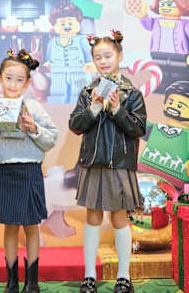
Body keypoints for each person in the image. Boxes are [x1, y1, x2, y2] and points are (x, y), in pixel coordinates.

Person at [68, 31, 147, 293]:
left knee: (119, 217)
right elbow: (75, 125)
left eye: (108, 56)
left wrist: (116, 110)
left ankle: (124, 277)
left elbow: (138, 129)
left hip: (120, 164)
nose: (103, 61)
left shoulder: (132, 94)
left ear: (119, 56)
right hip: (93, 162)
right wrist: (93, 107)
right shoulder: (87, 92)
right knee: (92, 216)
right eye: (98, 57)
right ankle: (89, 276)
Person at [0, 49, 58, 293]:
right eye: (8, 78)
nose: (13, 84)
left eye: (19, 79)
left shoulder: (34, 108)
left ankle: (32, 282)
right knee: (10, 226)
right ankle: (11, 281)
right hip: (8, 173)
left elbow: (51, 138)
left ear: (28, 82)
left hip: (31, 172)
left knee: (32, 226)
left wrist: (34, 128)